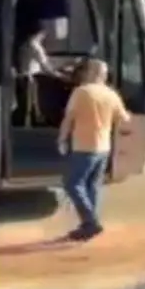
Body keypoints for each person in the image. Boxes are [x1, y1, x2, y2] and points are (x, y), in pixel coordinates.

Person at [56, 57, 130, 241]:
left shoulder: (81, 92)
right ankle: (87, 227)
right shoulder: (111, 94)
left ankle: (91, 221)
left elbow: (69, 118)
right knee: (92, 186)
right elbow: (124, 119)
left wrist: (62, 139)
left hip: (83, 146)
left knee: (73, 184)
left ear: (90, 73)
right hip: (103, 148)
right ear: (103, 75)